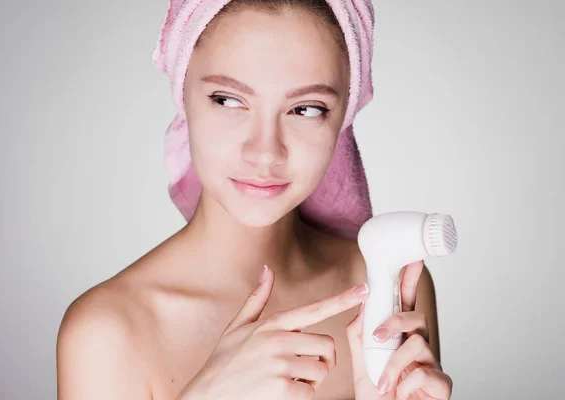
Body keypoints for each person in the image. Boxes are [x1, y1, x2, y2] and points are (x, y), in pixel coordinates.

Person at [56, 0, 453, 399]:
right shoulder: (108, 331)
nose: (265, 153)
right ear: (182, 94)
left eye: (306, 109)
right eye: (227, 100)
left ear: (343, 116)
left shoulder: (384, 291)